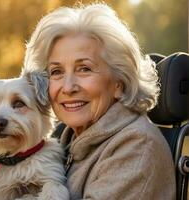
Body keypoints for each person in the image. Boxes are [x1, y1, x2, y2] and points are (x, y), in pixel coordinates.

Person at [23, 3, 176, 200]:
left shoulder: (137, 148)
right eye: (56, 72)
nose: (68, 87)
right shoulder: (67, 141)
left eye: (84, 68)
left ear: (119, 83)